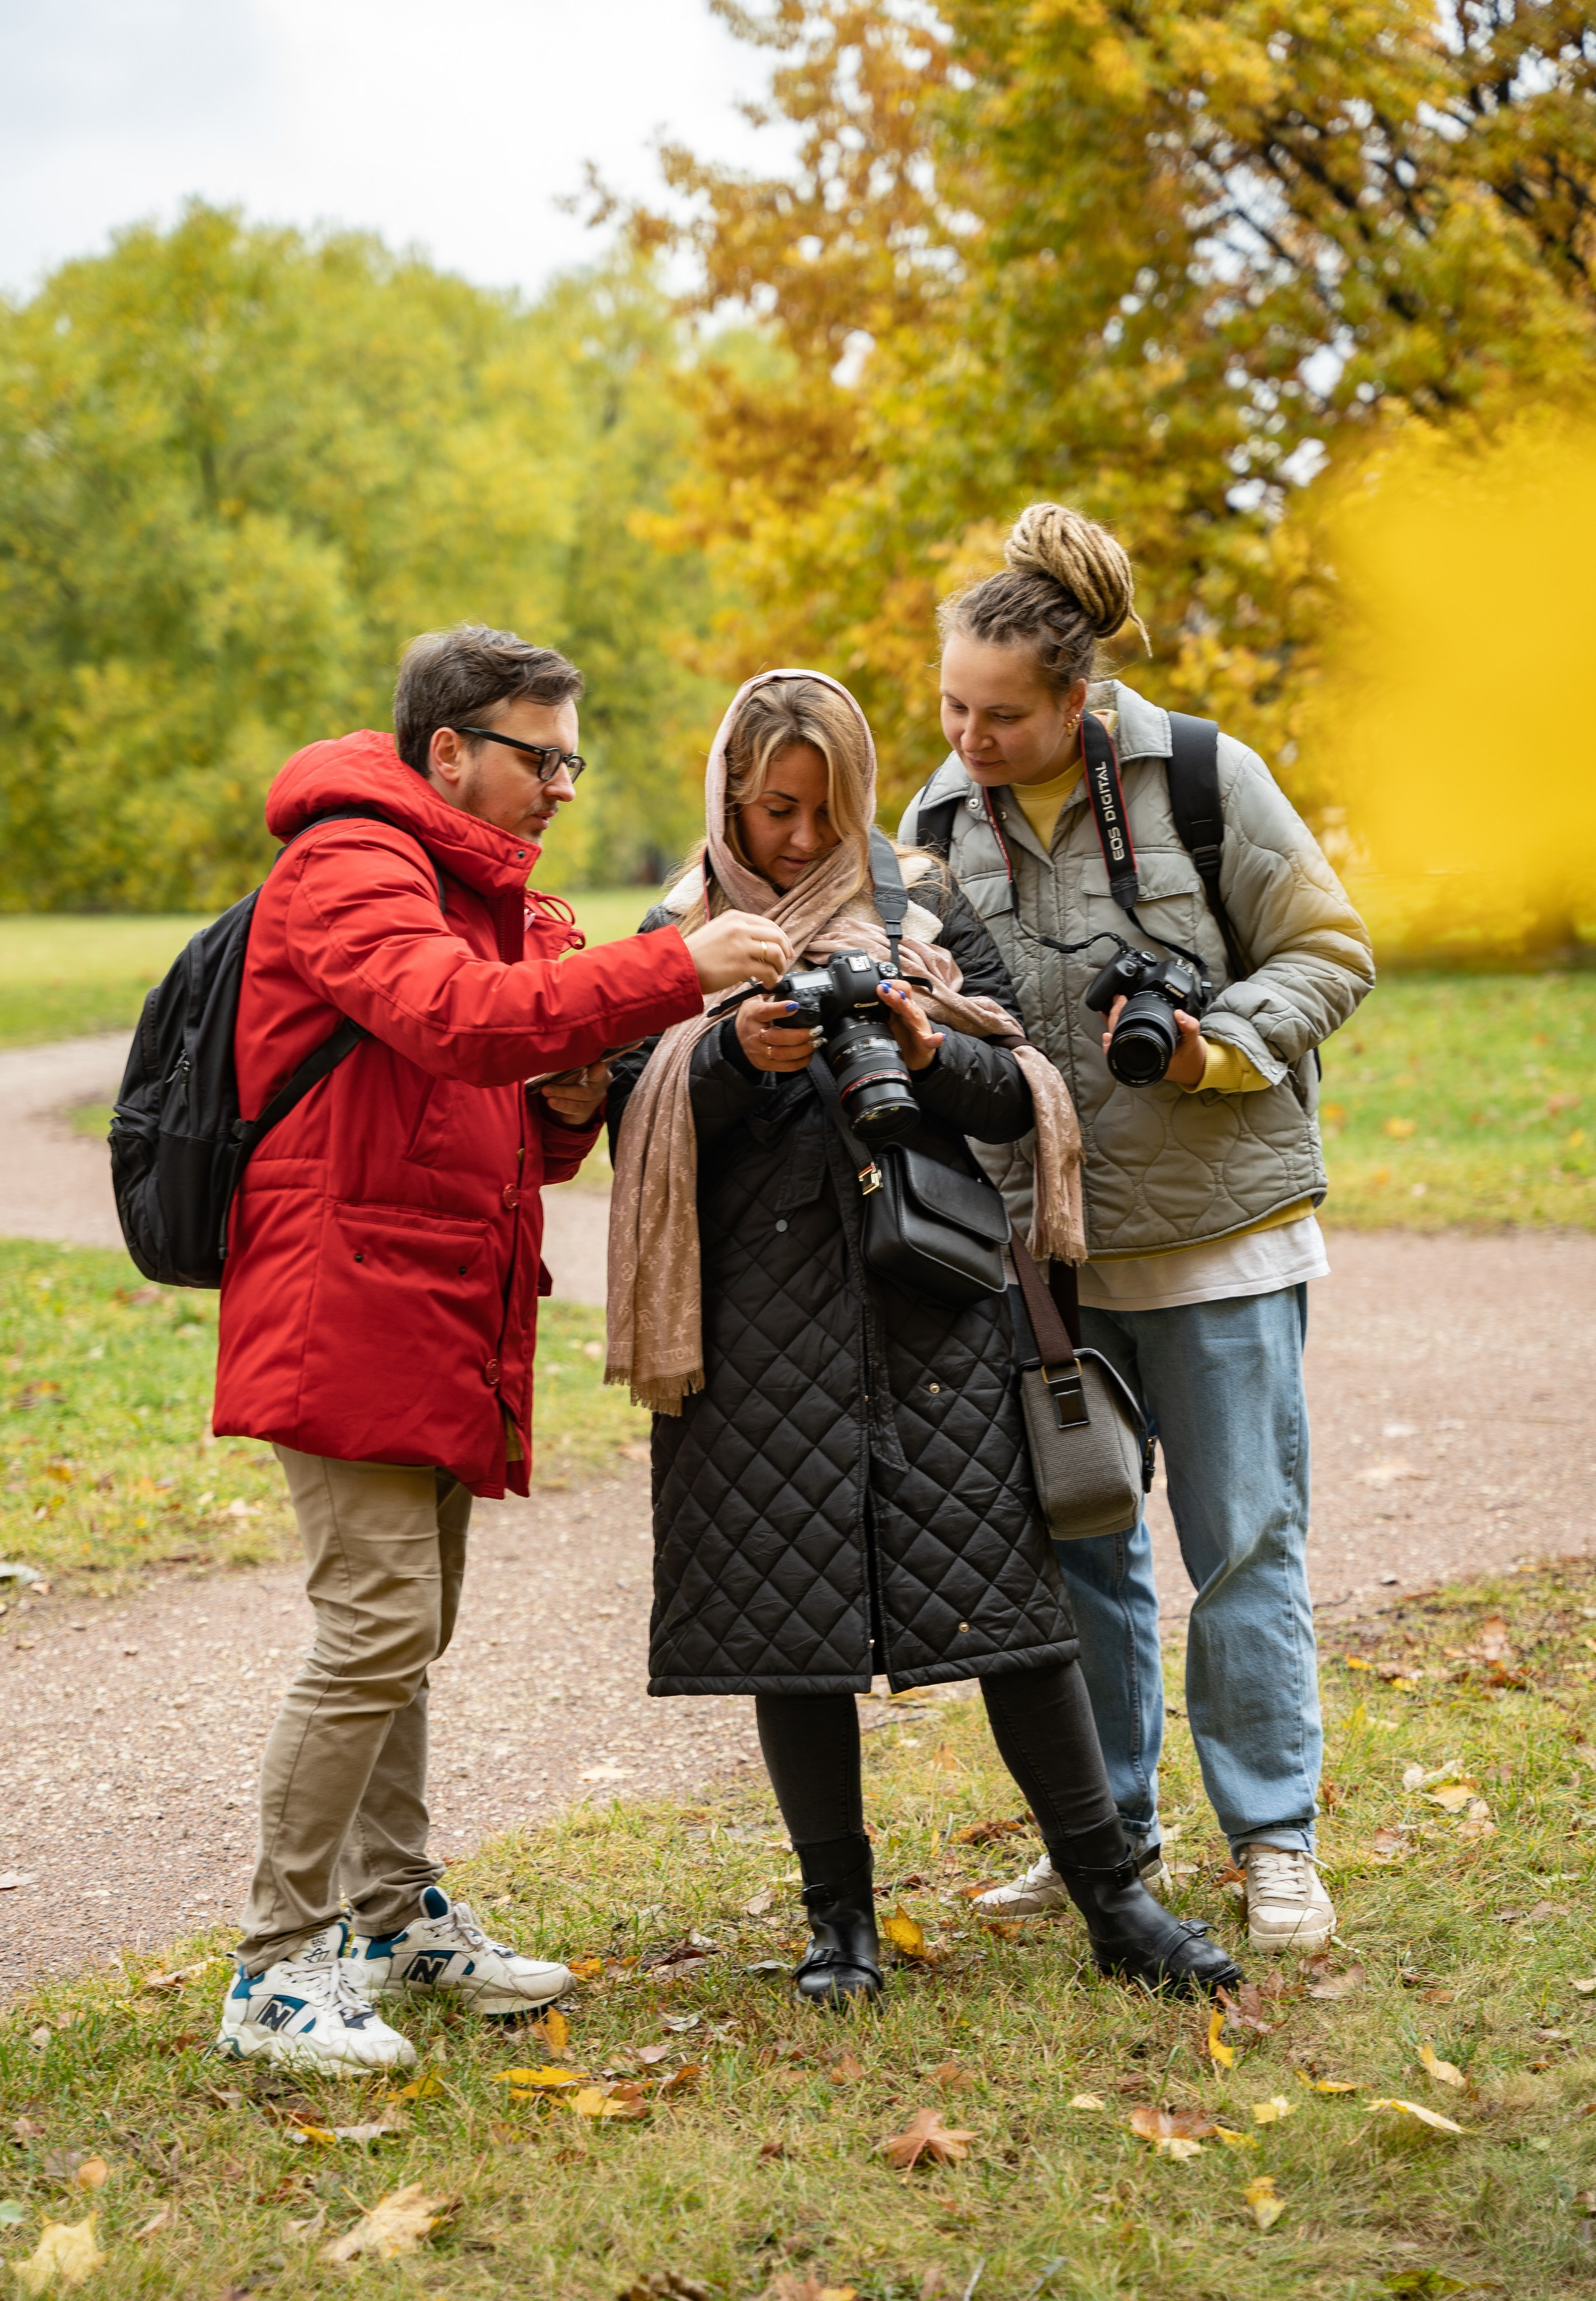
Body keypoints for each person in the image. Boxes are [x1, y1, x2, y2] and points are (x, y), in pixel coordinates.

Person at [605, 668, 1241, 2007]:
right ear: (729, 797)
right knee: (791, 1624)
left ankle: (1116, 1901)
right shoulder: (681, 928)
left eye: (823, 810)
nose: (798, 838)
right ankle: (839, 1925)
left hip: (934, 1296)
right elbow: (624, 1112)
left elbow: (1018, 1089)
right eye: (773, 810)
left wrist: (925, 1045)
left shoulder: (919, 899)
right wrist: (730, 1057)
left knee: (1015, 1612)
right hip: (754, 1321)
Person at [213, 622, 787, 2075]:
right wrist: (668, 969)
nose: (565, 787)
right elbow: (454, 1022)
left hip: (435, 1296)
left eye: (573, 760)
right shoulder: (351, 863)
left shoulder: (485, 893)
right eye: (545, 758)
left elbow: (499, 1122)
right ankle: (275, 1970)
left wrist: (572, 1094)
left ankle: (391, 1915)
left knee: (408, 1632)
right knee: (375, 1626)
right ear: (450, 750)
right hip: (344, 1295)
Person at [898, 506, 1375, 1957]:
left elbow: (1328, 951)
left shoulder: (1205, 779)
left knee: (1242, 1548)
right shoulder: (935, 822)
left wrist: (1209, 1048)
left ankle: (1272, 1840)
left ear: (1077, 701)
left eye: (1000, 716)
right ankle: (1102, 1835)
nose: (968, 739)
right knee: (1077, 1557)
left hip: (1219, 1235)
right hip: (1042, 1254)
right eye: (951, 707)